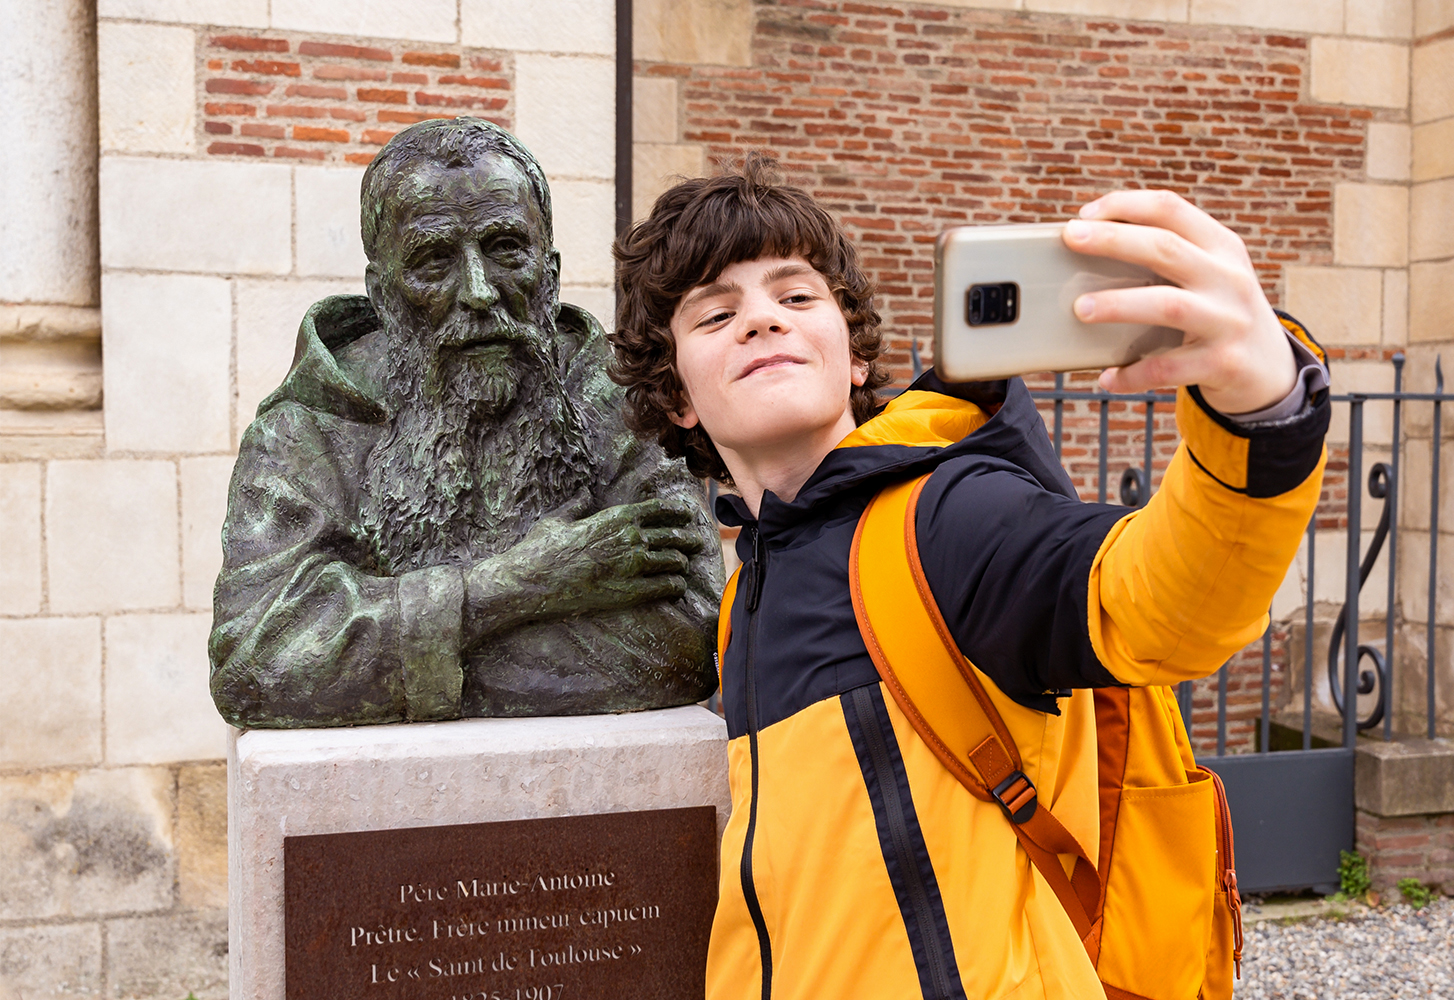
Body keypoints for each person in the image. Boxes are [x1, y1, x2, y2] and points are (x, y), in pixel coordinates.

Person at [609, 154, 1329, 999]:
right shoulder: (744, 597)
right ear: (677, 397)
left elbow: (1162, 604)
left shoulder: (946, 517)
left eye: (796, 296)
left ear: (855, 360)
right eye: (716, 313)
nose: (763, 320)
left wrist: (1260, 410)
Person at [209, 118, 721, 729]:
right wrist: (524, 584)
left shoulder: (622, 403)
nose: (479, 291)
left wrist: (384, 649)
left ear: (549, 272)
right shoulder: (304, 434)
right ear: (384, 293)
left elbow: (688, 642)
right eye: (432, 260)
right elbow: (256, 667)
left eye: (505, 249)